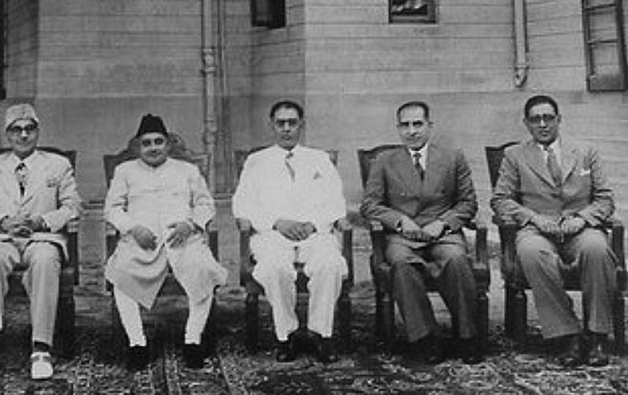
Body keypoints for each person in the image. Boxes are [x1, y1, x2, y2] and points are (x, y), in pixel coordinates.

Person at [491, 94, 617, 367]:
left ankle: (596, 336)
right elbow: (501, 199)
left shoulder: (586, 151)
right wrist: (533, 218)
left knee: (597, 248)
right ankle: (567, 335)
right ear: (526, 123)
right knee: (531, 251)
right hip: (538, 230)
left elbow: (605, 198)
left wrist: (583, 218)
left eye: (549, 117)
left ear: (559, 119)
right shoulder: (514, 156)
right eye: (536, 119)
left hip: (579, 228)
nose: (543, 124)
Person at [361, 101, 482, 364]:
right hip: (402, 236)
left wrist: (445, 223)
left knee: (456, 260)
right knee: (403, 265)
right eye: (405, 125)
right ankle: (426, 338)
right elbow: (370, 205)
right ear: (398, 129)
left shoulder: (453, 157)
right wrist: (401, 221)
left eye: (418, 124)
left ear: (429, 126)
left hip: (442, 233)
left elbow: (468, 203)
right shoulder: (384, 161)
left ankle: (467, 337)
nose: (412, 131)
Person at [0, 103, 81, 381]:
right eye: (16, 130)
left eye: (30, 129)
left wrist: (42, 221)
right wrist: (2, 221)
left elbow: (72, 206)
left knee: (44, 261)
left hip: (41, 237)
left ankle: (41, 346)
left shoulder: (57, 165)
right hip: (2, 237)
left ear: (38, 131)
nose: (24, 135)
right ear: (8, 135)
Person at [105, 114, 227, 370]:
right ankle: (137, 343)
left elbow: (205, 203)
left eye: (158, 142)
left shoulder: (187, 170)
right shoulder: (125, 171)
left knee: (203, 270)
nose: (153, 148)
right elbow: (112, 209)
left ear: (168, 144)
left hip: (184, 239)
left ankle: (192, 340)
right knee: (121, 275)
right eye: (147, 143)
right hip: (141, 242)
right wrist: (133, 228)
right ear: (139, 146)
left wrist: (191, 223)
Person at [232, 100, 348, 363]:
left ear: (301, 125)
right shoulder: (256, 161)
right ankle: (287, 335)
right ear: (272, 125)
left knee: (329, 264)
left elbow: (336, 203)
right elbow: (242, 204)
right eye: (281, 123)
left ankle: (321, 334)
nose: (286, 128)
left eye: (292, 123)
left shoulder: (320, 159)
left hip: (314, 233)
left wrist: (314, 225)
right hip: (273, 233)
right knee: (273, 268)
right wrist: (276, 222)